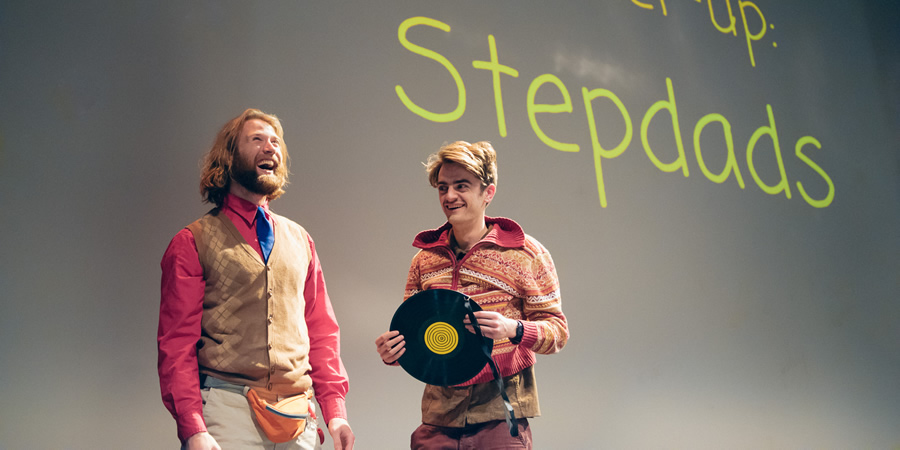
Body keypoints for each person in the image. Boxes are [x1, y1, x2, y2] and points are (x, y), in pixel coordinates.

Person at [158, 108, 355, 450]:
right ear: (229, 156)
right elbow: (177, 345)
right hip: (227, 409)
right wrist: (193, 428)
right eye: (257, 140)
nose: (270, 148)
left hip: (296, 412)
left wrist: (334, 411)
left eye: (276, 142)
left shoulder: (300, 239)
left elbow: (321, 330)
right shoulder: (193, 241)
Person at [375, 141, 569, 449]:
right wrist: (395, 352)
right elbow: (414, 336)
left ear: (488, 193)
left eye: (461, 186)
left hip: (500, 415)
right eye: (442, 187)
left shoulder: (526, 253)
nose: (449, 196)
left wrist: (513, 329)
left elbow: (558, 333)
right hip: (439, 416)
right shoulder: (424, 261)